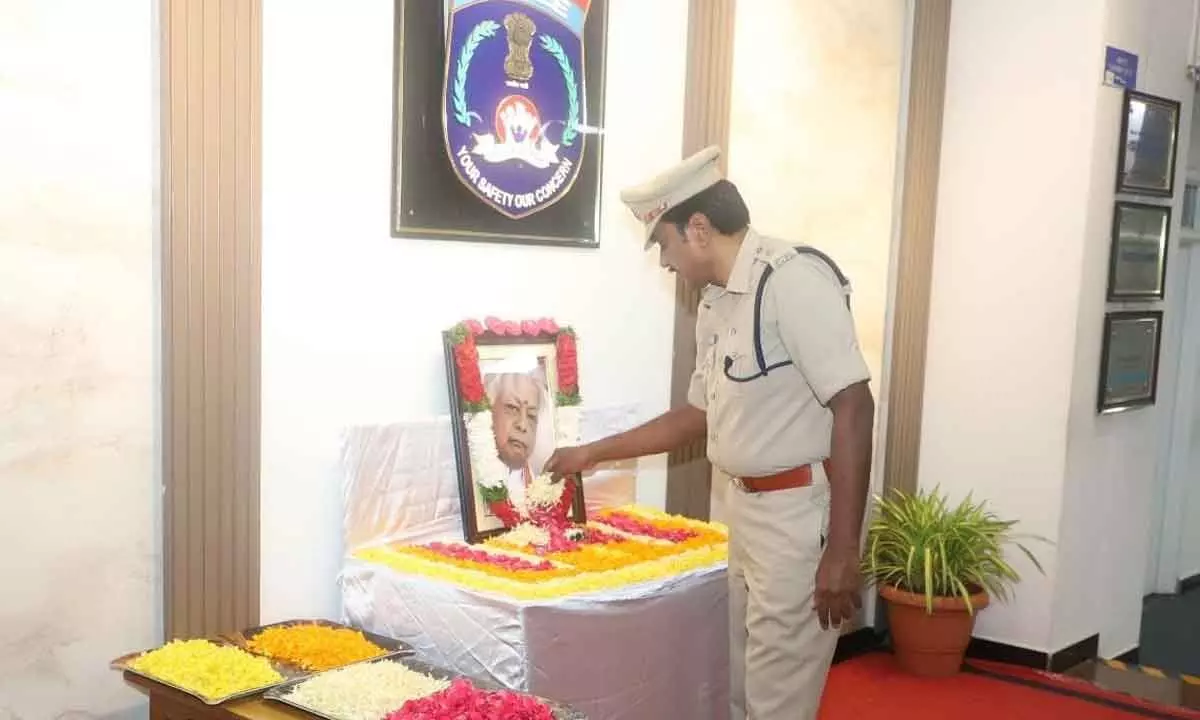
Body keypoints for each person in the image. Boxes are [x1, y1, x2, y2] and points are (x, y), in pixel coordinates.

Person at [544, 146, 875, 719]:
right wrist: (592, 453)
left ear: (698, 228)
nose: (666, 262)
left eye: (664, 244)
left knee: (778, 704)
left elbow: (854, 404)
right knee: (743, 689)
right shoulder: (717, 302)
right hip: (744, 513)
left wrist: (844, 549)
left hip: (799, 520)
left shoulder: (792, 280)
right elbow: (697, 416)